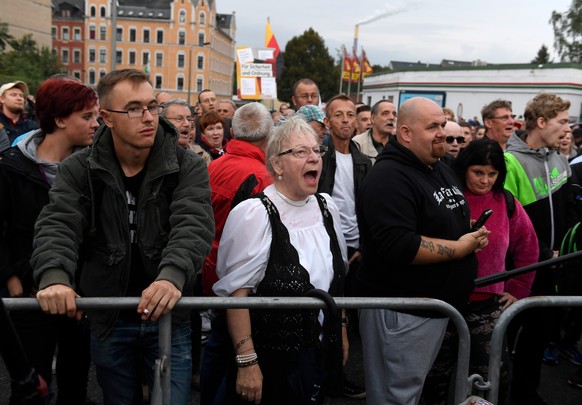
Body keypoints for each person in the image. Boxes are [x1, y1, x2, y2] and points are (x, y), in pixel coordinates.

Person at [31, 69, 214, 405]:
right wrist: (55, 277)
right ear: (107, 118)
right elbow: (58, 223)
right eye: (133, 109)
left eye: (151, 106)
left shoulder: (186, 164)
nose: (147, 117)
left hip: (169, 315)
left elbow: (193, 223)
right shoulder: (79, 168)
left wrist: (171, 277)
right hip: (109, 316)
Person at [356, 97, 489, 405]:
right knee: (396, 395)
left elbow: (434, 215)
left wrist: (465, 229)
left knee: (410, 391)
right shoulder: (389, 177)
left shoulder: (436, 165)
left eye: (442, 124)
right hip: (401, 313)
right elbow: (399, 245)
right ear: (405, 133)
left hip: (430, 309)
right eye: (432, 127)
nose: (442, 132)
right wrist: (458, 247)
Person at [212, 115, 348, 404]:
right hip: (273, 363)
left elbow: (338, 281)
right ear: (276, 164)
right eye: (301, 152)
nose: (314, 158)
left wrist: (342, 330)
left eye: (317, 150)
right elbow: (237, 295)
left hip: (320, 355)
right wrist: (247, 362)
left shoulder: (327, 207)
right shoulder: (254, 214)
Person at [0, 77, 99, 404]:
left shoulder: (95, 169)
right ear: (59, 120)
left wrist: (82, 288)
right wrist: (14, 279)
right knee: (31, 387)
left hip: (79, 298)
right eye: (87, 116)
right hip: (28, 295)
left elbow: (96, 234)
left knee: (75, 385)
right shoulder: (11, 168)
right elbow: (5, 230)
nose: (95, 124)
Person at [504, 93, 578, 405]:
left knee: (538, 336)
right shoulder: (510, 162)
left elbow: (570, 210)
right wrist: (544, 254)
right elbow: (508, 224)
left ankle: (525, 393)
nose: (568, 127)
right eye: (562, 121)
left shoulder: (559, 158)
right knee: (508, 337)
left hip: (553, 268)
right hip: (521, 271)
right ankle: (495, 391)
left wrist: (564, 251)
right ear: (542, 122)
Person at [451, 138, 538, 401]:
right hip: (445, 301)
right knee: (435, 375)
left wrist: (518, 289)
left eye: (492, 174)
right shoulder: (448, 197)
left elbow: (529, 246)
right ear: (464, 167)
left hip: (487, 305)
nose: (484, 180)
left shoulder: (507, 202)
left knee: (490, 376)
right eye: (478, 172)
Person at [200, 102, 275, 404]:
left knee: (217, 347)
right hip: (239, 283)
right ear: (269, 136)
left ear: (231, 132)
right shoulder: (262, 177)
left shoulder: (213, 165)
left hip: (210, 269)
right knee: (235, 354)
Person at [352, 100, 396, 164]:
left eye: (394, 114)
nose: (392, 117)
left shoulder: (401, 144)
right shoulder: (357, 143)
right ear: (372, 119)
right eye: (385, 114)